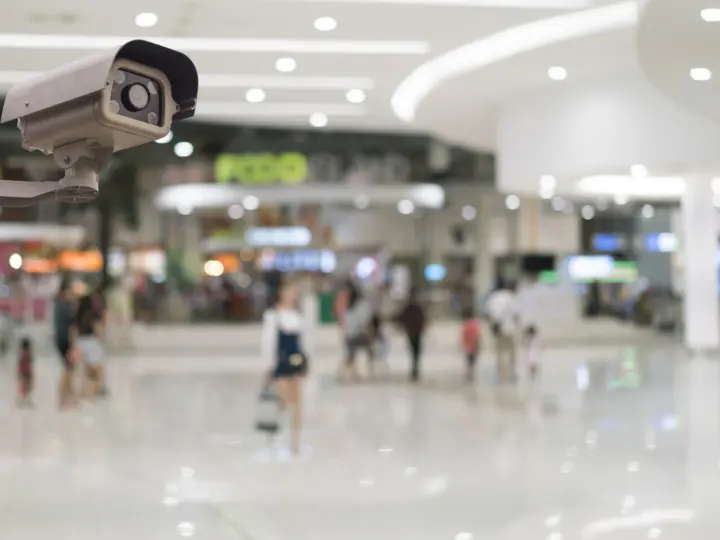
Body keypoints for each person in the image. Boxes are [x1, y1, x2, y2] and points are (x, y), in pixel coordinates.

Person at [261, 280, 309, 454]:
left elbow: (304, 341)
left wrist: (306, 363)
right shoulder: (273, 315)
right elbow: (268, 342)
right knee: (283, 398)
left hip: (296, 361)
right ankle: (273, 426)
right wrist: (268, 365)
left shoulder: (299, 315)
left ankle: (295, 439)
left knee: (297, 402)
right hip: (280, 362)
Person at [486, 280, 521, 383]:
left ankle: (501, 375)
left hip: (497, 330)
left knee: (499, 353)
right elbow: (516, 315)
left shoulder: (493, 297)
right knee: (511, 352)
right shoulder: (511, 297)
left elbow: (488, 314)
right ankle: (512, 373)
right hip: (510, 329)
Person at [340, 280, 374, 380]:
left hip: (352, 334)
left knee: (351, 354)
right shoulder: (360, 306)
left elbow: (346, 321)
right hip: (358, 334)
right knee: (366, 350)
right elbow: (365, 319)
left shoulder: (350, 308)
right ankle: (359, 371)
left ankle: (351, 372)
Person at [75, 292, 105, 401]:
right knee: (97, 369)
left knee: (85, 370)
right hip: (92, 343)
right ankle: (95, 391)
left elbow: (74, 329)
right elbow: (98, 329)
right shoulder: (94, 314)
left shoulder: (77, 314)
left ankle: (84, 392)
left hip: (80, 342)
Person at [393, 286, 427, 382]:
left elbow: (401, 317)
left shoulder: (410, 307)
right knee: (416, 352)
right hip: (414, 332)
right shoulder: (416, 307)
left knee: (414, 352)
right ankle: (415, 370)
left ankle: (414, 370)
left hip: (412, 331)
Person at [54, 278, 76, 408]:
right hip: (65, 339)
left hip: (59, 338)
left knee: (68, 368)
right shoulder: (67, 305)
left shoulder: (58, 303)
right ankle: (63, 399)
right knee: (67, 368)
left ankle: (67, 396)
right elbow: (70, 325)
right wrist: (72, 343)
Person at [460, 308, 481, 383]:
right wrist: (478, 345)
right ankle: (471, 375)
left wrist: (463, 345)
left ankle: (469, 375)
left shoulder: (466, 325)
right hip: (474, 347)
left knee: (469, 362)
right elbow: (477, 336)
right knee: (472, 363)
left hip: (468, 347)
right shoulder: (475, 324)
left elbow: (463, 336)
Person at [16, 337, 34, 407]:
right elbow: (30, 361)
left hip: (23, 370)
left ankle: (22, 399)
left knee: (23, 384)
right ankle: (26, 399)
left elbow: (20, 362)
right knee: (27, 385)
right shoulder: (28, 353)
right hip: (27, 370)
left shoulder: (21, 353)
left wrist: (18, 373)